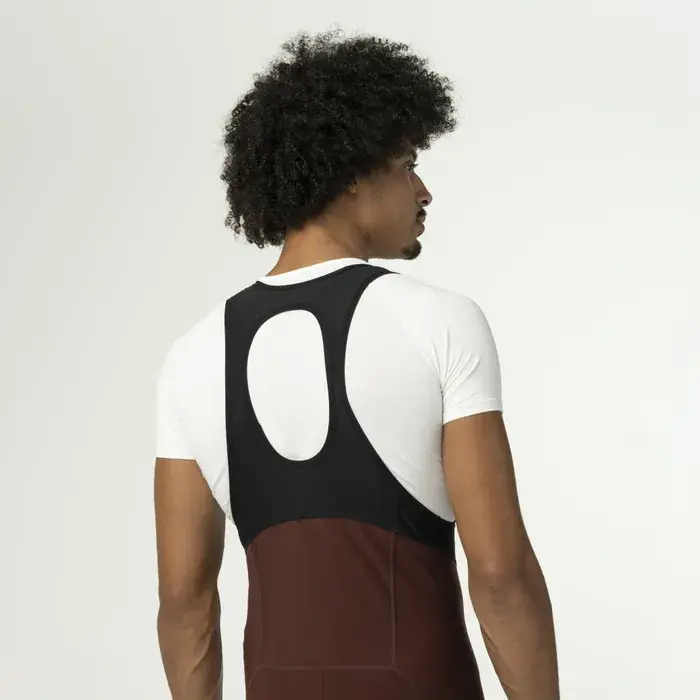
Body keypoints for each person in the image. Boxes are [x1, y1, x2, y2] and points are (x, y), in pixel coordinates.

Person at [154, 29, 559, 700]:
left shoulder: (191, 356)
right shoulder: (440, 321)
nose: (423, 190)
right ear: (349, 174)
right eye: (407, 164)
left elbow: (184, 603)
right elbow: (500, 576)